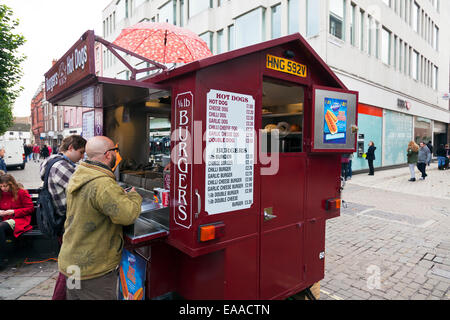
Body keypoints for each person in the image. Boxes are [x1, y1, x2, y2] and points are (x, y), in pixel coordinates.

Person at [58, 136, 142, 300]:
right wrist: (133, 197)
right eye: (116, 151)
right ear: (109, 154)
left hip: (72, 262)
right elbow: (128, 215)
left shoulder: (81, 174)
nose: (117, 156)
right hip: (93, 271)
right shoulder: (102, 184)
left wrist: (117, 196)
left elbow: (95, 201)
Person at [40, 135, 87, 300]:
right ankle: (65, 297)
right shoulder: (61, 166)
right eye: (81, 152)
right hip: (66, 223)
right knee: (71, 268)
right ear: (71, 147)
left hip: (61, 222)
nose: (82, 157)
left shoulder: (52, 160)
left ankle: (72, 294)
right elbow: (83, 189)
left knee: (70, 265)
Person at [0, 174, 34, 270]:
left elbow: (30, 208)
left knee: (1, 227)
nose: (3, 188)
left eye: (5, 186)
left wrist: (14, 211)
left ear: (11, 184)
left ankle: (1, 260)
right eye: (1, 186)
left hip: (19, 220)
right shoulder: (1, 193)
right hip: (5, 219)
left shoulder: (21, 192)